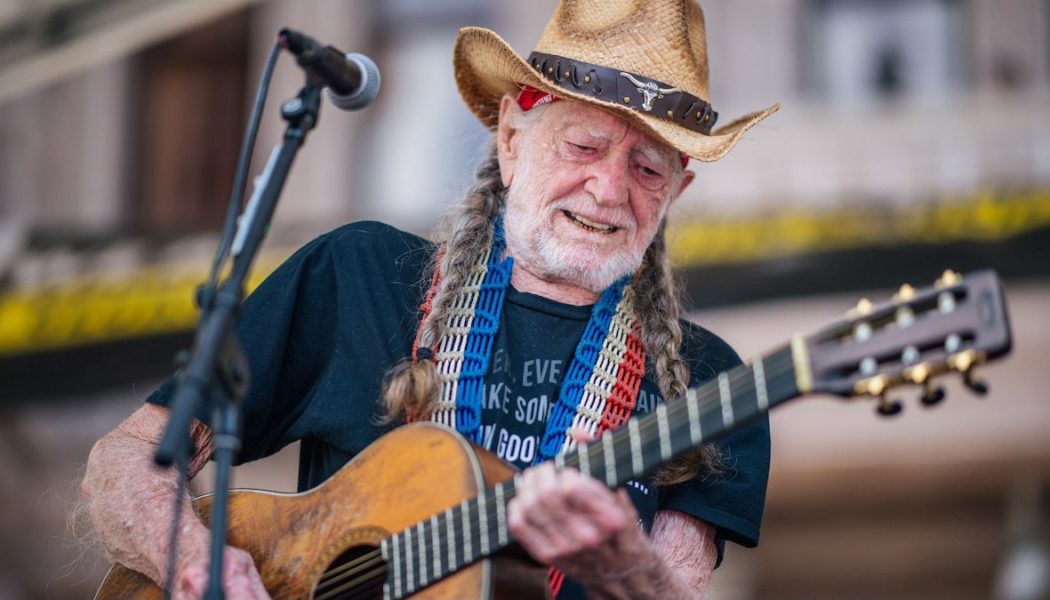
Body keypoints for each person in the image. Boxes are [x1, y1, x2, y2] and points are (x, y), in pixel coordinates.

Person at [82, 0, 779, 597]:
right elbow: (127, 460)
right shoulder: (356, 274)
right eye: (585, 146)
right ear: (511, 138)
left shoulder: (707, 379)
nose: (608, 189)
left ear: (675, 194)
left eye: (647, 168)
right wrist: (194, 563)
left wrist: (628, 571)